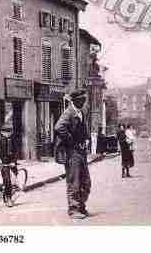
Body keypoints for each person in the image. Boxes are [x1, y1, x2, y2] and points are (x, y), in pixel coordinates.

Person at [54, 90, 91, 219]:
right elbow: (58, 127)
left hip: (81, 151)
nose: (84, 102)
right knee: (74, 181)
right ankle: (74, 209)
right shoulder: (68, 113)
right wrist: (71, 140)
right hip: (72, 152)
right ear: (74, 101)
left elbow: (84, 129)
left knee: (85, 182)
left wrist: (86, 139)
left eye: (84, 100)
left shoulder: (81, 112)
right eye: (81, 100)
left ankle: (81, 206)